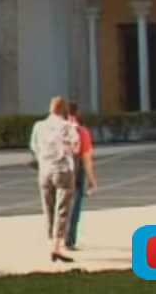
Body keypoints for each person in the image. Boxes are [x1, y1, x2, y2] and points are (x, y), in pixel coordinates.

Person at [28, 95, 79, 263]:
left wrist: (44, 157)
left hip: (45, 171)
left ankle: (51, 241)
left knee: (48, 208)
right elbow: (76, 146)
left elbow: (33, 147)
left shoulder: (39, 126)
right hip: (63, 170)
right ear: (64, 110)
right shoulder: (67, 126)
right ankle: (57, 247)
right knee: (62, 209)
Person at [64, 101, 96, 251]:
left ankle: (56, 239)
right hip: (75, 170)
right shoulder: (81, 131)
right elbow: (86, 158)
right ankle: (69, 239)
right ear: (77, 113)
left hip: (56, 169)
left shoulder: (56, 129)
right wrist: (92, 181)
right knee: (74, 205)